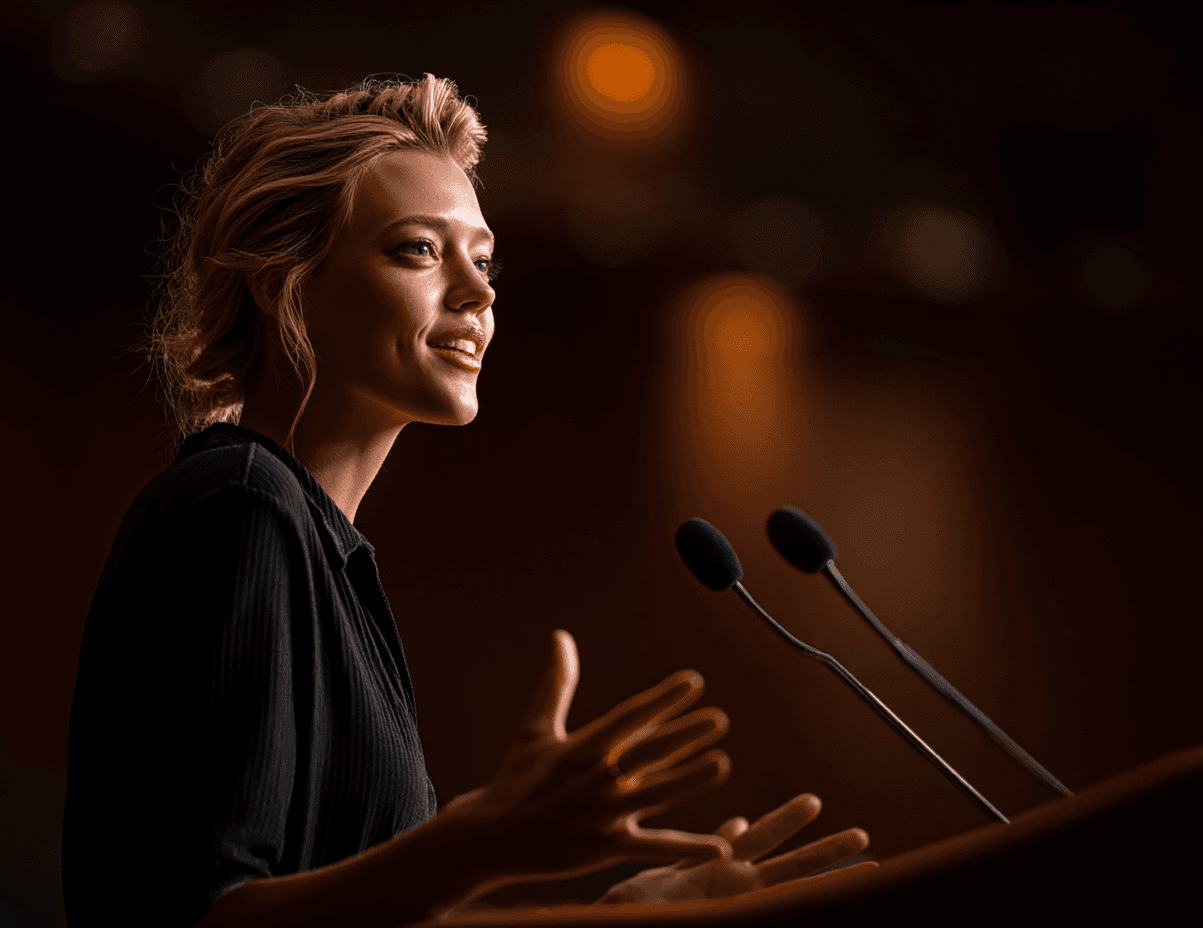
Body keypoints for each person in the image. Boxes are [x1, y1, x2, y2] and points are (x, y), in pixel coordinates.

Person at [61, 75, 873, 927]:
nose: (480, 294)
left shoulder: (314, 547)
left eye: (482, 259)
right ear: (282, 283)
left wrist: (616, 915)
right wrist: (472, 848)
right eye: (419, 249)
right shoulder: (242, 506)